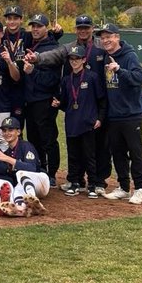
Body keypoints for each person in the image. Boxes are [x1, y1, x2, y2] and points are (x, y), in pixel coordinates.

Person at [24, 14, 111, 193]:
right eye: (80, 28)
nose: (83, 31)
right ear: (76, 30)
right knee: (76, 142)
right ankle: (76, 179)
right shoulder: (70, 48)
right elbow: (54, 55)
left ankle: (99, 181)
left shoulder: (101, 46)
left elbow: (117, 50)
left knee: (99, 142)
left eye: (86, 27)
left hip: (98, 97)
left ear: (92, 28)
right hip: (76, 99)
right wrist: (38, 58)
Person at [95, 23, 142, 204]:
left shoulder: (129, 55)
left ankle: (139, 188)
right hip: (114, 114)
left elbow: (139, 78)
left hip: (132, 113)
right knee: (117, 152)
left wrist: (120, 70)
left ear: (117, 37)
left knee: (135, 152)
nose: (106, 40)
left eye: (109, 37)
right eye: (103, 38)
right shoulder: (105, 57)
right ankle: (124, 187)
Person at [51, 43, 106, 198]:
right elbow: (67, 103)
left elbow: (101, 100)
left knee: (89, 155)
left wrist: (100, 118)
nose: (74, 62)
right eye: (71, 59)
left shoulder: (92, 77)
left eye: (77, 59)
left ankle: (93, 185)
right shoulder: (66, 80)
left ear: (83, 60)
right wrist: (58, 104)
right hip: (72, 123)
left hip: (88, 123)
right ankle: (75, 182)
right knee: (73, 155)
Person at [21, 14, 62, 187]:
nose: (35, 29)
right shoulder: (29, 43)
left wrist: (33, 72)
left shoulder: (53, 48)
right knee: (33, 139)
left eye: (39, 26)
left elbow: (52, 80)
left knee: (48, 139)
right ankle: (39, 168)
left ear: (47, 28)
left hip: (45, 99)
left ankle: (51, 173)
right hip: (29, 100)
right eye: (33, 26)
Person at [0, 117, 50, 217]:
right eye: (4, 130)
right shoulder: (7, 153)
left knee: (21, 173)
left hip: (41, 181)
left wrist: (7, 159)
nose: (7, 133)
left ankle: (33, 201)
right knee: (15, 190)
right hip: (26, 185)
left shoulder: (26, 146)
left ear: (18, 132)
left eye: (10, 130)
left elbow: (32, 168)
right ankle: (21, 210)